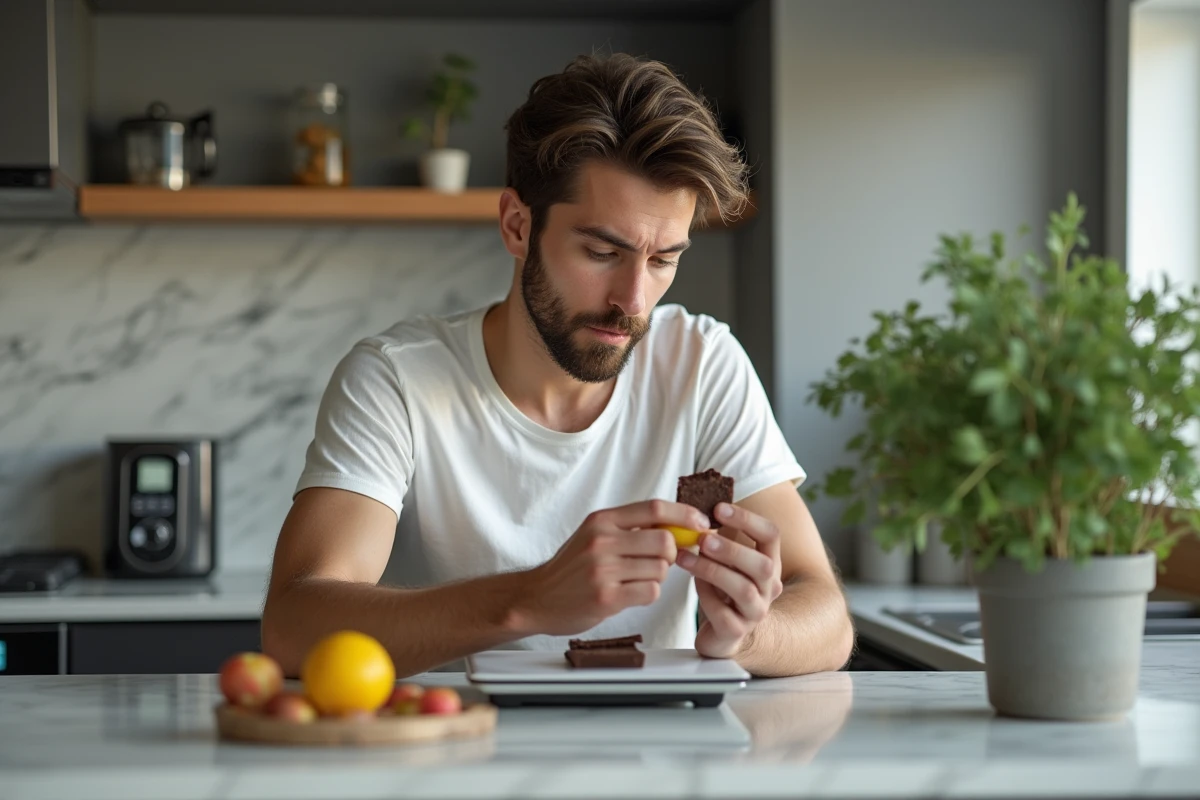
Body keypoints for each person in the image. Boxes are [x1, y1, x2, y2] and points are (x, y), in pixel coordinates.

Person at [262, 53, 855, 679]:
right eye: (602, 252)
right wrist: (530, 599)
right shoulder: (397, 379)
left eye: (663, 261)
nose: (634, 301)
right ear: (518, 226)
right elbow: (294, 625)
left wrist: (746, 634)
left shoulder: (701, 365)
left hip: (662, 741)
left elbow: (827, 617)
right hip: (451, 736)